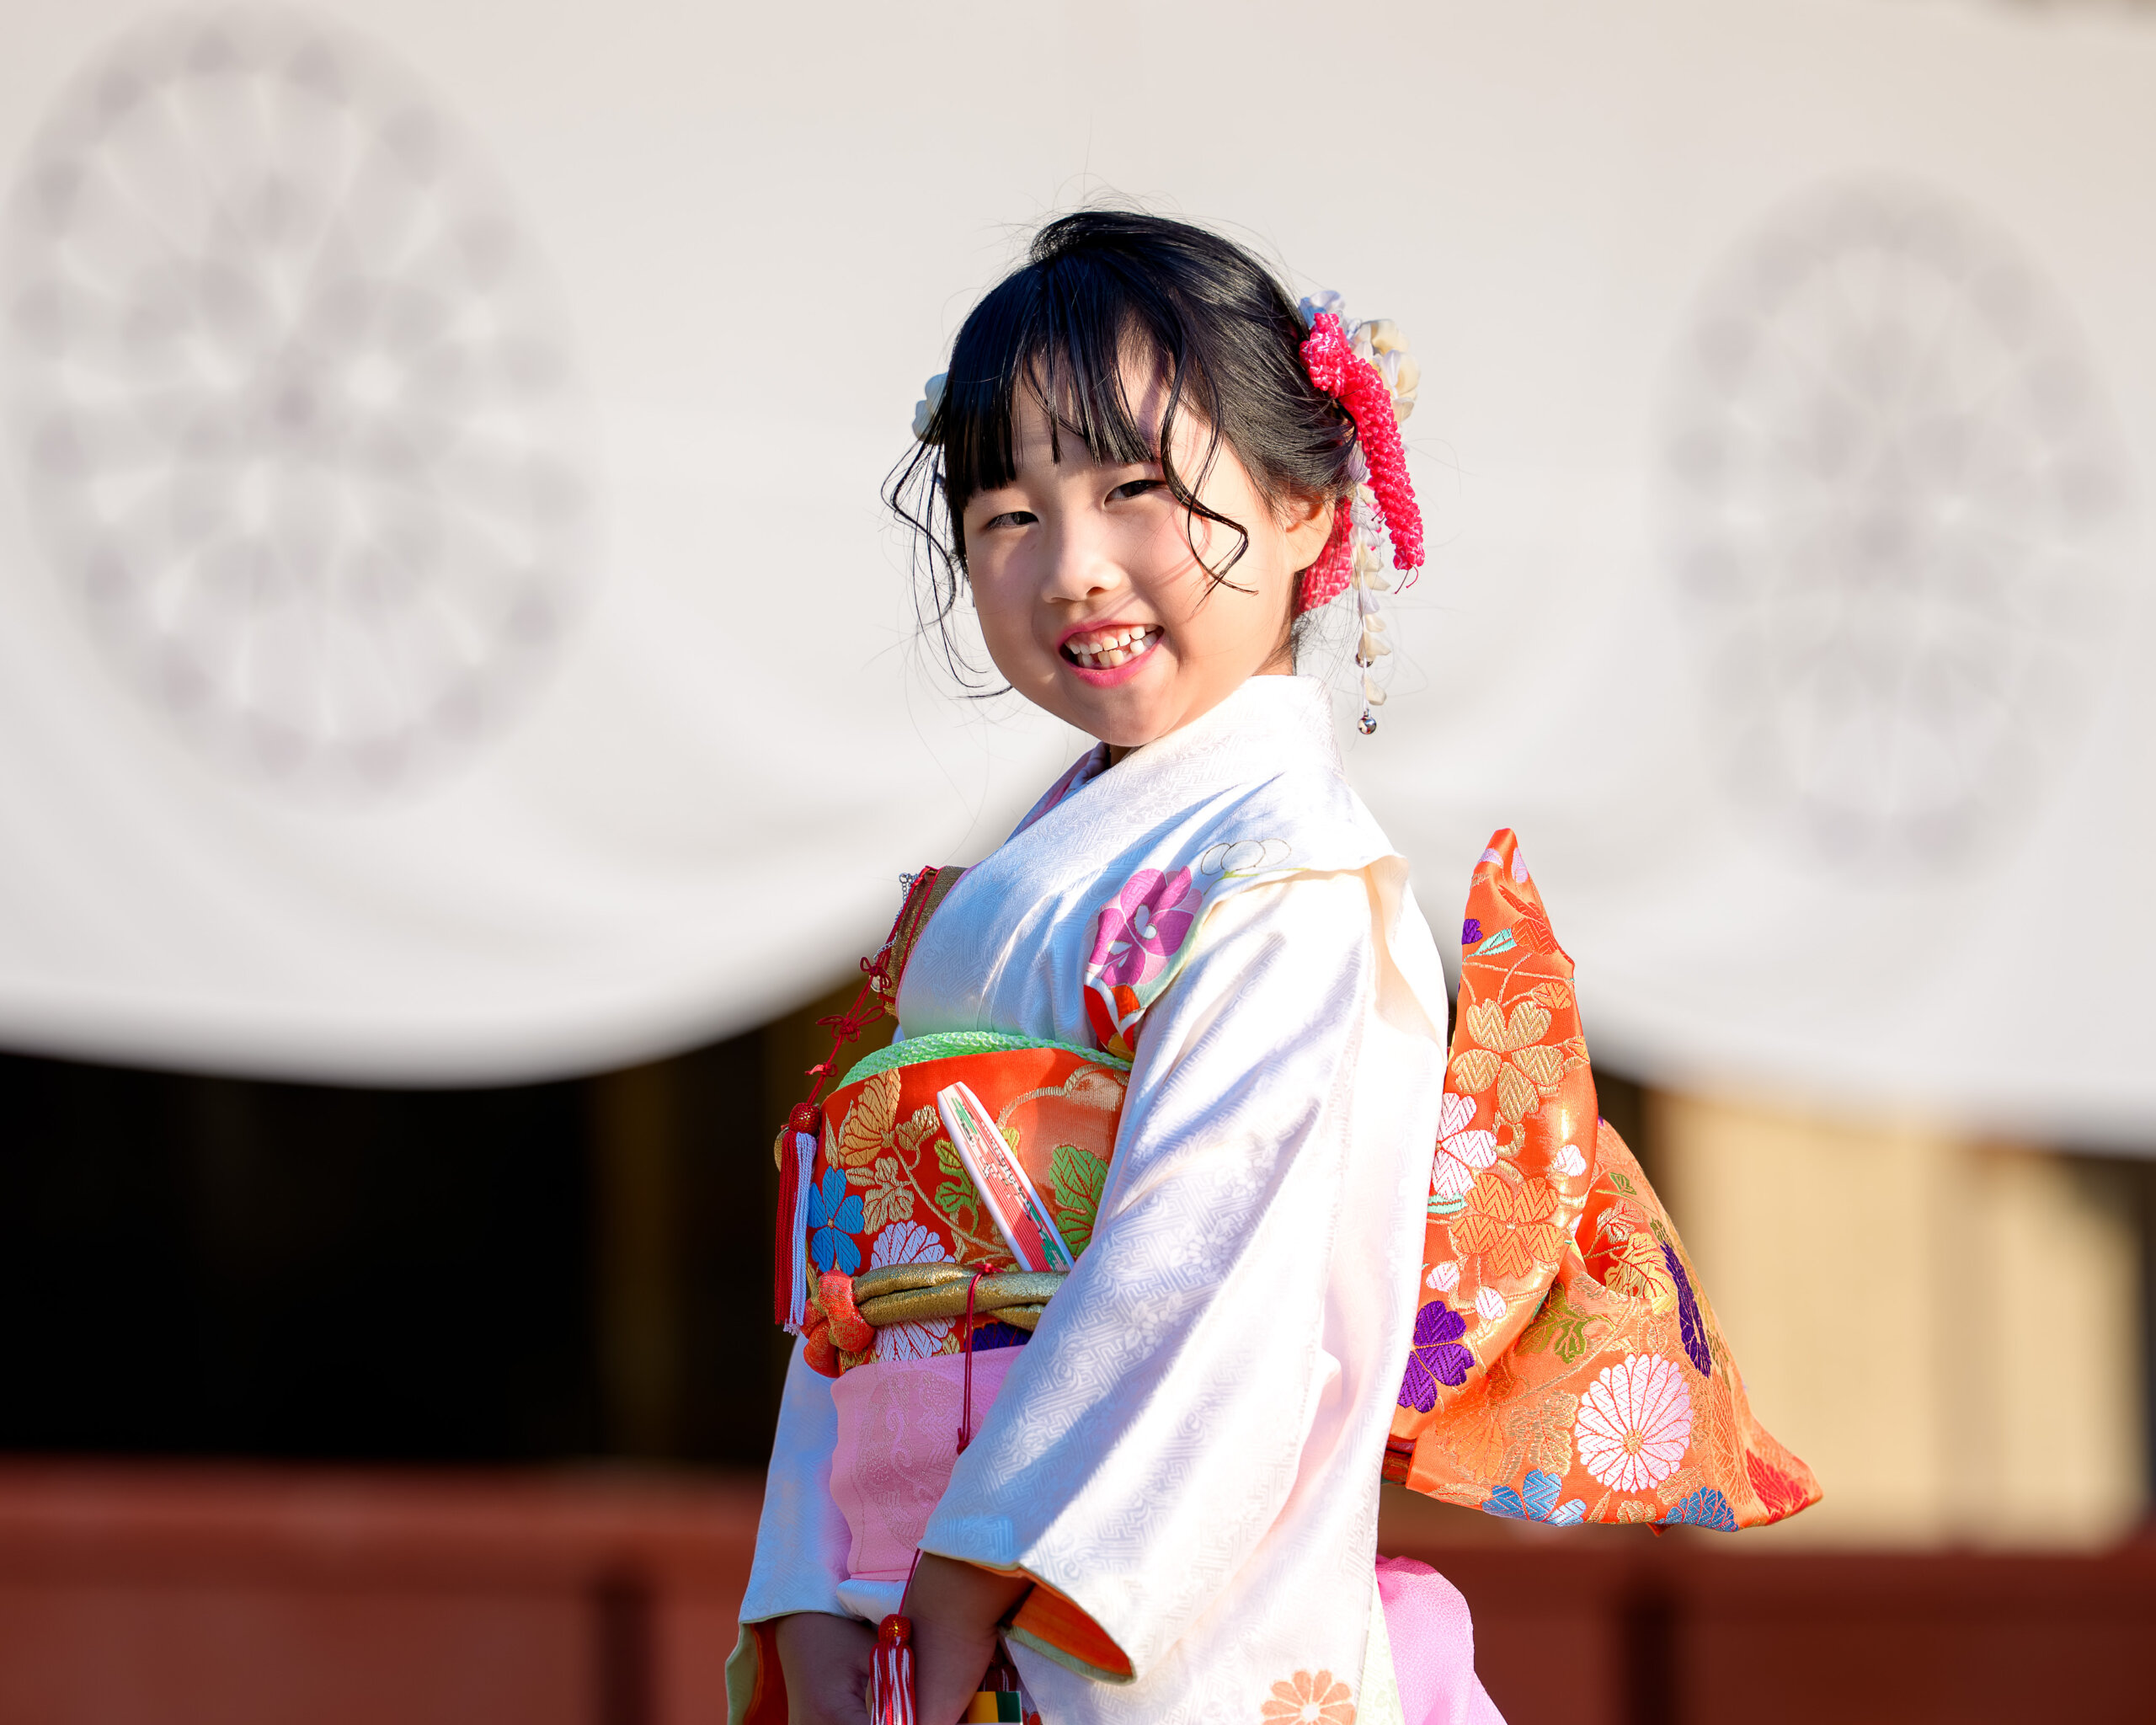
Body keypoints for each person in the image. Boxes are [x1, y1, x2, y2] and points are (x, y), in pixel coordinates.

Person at [729, 211, 1812, 1725]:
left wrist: (978, 1570)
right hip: (911, 1589)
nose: (1075, 569)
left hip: (1132, 1603)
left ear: (1308, 502)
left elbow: (1213, 1291)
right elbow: (856, 1273)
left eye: (1135, 492)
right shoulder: (1018, 888)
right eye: (1009, 517)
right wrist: (808, 1578)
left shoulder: (1287, 883)